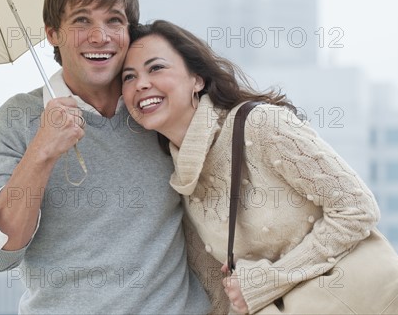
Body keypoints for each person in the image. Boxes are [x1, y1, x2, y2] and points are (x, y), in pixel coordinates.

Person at [0, 0, 210, 314]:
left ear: (129, 31)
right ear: (53, 34)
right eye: (81, 21)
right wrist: (43, 151)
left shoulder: (155, 107)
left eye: (114, 20)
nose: (100, 37)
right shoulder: (18, 118)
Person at [121, 20, 380, 314]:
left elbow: (357, 208)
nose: (141, 84)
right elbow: (221, 294)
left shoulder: (261, 126)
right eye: (128, 77)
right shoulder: (178, 179)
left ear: (197, 79)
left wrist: (271, 280)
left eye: (155, 68)